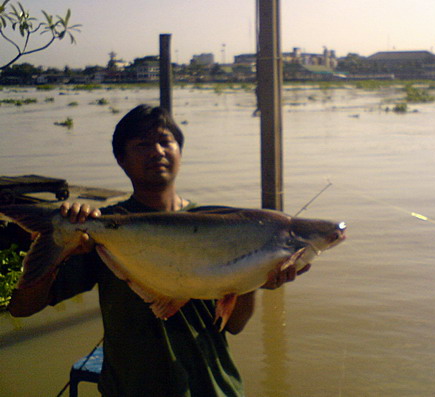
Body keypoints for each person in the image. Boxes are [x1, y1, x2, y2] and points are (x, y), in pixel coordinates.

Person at [8, 104, 308, 397]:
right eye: (142, 144)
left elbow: (236, 326)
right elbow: (23, 307)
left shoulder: (218, 222)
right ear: (121, 159)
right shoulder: (97, 230)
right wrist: (62, 247)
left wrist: (255, 275)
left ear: (180, 150)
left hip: (214, 386)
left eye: (166, 141)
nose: (157, 152)